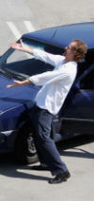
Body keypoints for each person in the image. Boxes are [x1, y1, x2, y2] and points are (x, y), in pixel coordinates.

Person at [7, 39, 87, 184]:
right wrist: (23, 48)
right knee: (41, 135)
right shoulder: (63, 61)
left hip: (46, 108)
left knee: (44, 138)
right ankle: (45, 163)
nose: (65, 47)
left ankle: (62, 171)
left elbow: (45, 77)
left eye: (68, 47)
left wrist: (23, 82)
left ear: (74, 52)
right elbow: (45, 55)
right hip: (42, 104)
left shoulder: (68, 70)